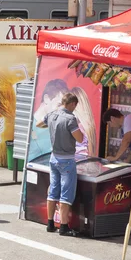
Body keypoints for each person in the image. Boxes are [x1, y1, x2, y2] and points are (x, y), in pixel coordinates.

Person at [36, 92, 83, 237]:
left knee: (53, 190)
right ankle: (63, 226)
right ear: (72, 104)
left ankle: (50, 223)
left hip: (53, 158)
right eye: (75, 106)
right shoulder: (70, 119)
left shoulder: (52, 115)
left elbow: (39, 124)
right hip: (67, 160)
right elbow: (80, 138)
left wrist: (51, 127)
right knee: (66, 194)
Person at [104, 108, 131, 220]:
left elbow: (127, 140)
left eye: (109, 123)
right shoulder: (124, 128)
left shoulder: (129, 119)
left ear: (112, 118)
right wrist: (126, 162)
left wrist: (115, 157)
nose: (111, 126)